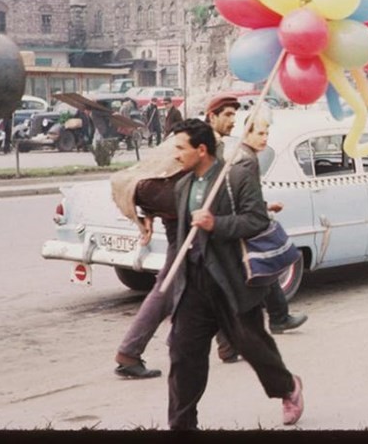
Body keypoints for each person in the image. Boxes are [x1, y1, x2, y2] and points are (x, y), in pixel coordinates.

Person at [166, 118, 303, 429]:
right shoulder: (182, 186)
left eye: (180, 148)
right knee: (183, 354)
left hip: (232, 281)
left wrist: (218, 224)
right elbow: (180, 236)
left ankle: (288, 387)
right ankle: (181, 425)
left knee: (252, 345)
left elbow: (257, 220)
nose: (175, 154)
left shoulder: (236, 177)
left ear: (201, 150)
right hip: (194, 283)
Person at [110, 137, 187, 379]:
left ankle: (227, 345)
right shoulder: (201, 142)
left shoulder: (184, 137)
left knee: (205, 281)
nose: (229, 120)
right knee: (169, 285)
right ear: (214, 115)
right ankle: (130, 352)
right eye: (225, 114)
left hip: (183, 219)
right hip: (185, 222)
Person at [234, 112, 308, 334]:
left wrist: (266, 206)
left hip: (247, 219)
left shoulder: (245, 155)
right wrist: (263, 212)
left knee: (267, 269)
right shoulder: (247, 160)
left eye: (267, 133)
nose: (265, 138)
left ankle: (279, 317)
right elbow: (245, 198)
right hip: (246, 224)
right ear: (247, 133)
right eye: (260, 133)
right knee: (263, 268)